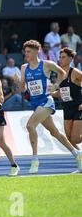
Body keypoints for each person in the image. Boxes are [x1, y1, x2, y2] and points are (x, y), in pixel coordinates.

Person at [14, 40, 82, 173]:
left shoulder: (46, 64)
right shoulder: (23, 67)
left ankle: (34, 160)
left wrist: (56, 85)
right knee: (55, 132)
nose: (26, 54)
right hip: (35, 104)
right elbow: (23, 89)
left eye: (29, 51)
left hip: (46, 101)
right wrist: (18, 83)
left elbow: (62, 73)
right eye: (25, 51)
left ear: (36, 51)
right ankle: (77, 154)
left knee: (30, 125)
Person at [52, 48, 81, 149]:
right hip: (67, 108)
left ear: (71, 59)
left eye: (63, 57)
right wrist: (49, 93)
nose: (60, 59)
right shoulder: (59, 74)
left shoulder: (75, 72)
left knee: (75, 139)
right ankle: (80, 158)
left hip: (78, 107)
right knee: (69, 139)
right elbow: (60, 94)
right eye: (60, 57)